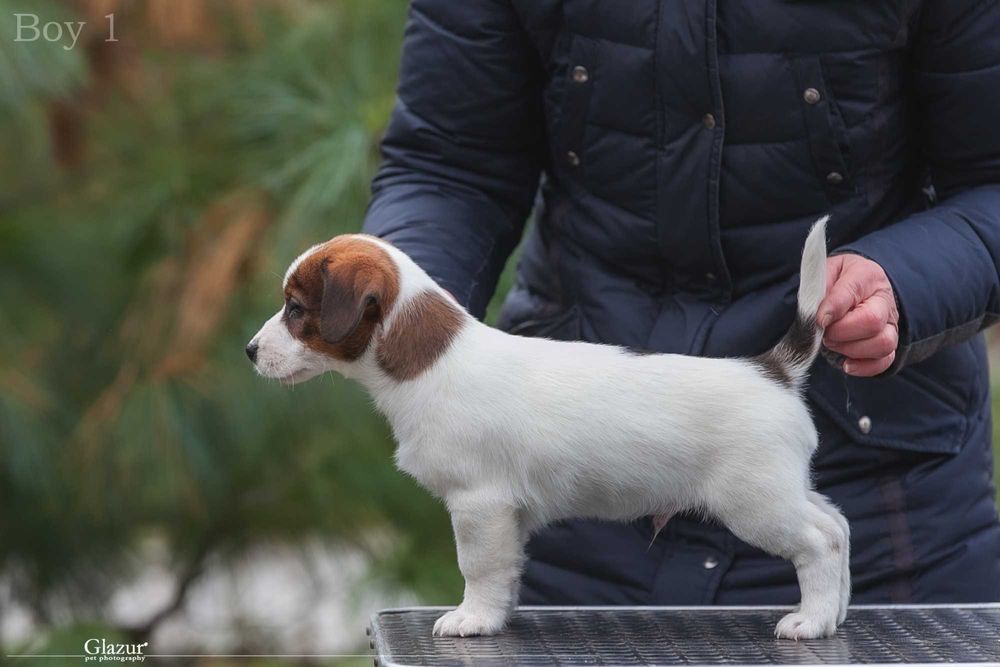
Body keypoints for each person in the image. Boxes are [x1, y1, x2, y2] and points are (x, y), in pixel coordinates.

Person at [362, 1, 1000, 605]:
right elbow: (449, 163)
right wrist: (397, 304)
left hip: (884, 503)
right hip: (576, 500)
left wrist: (905, 282)